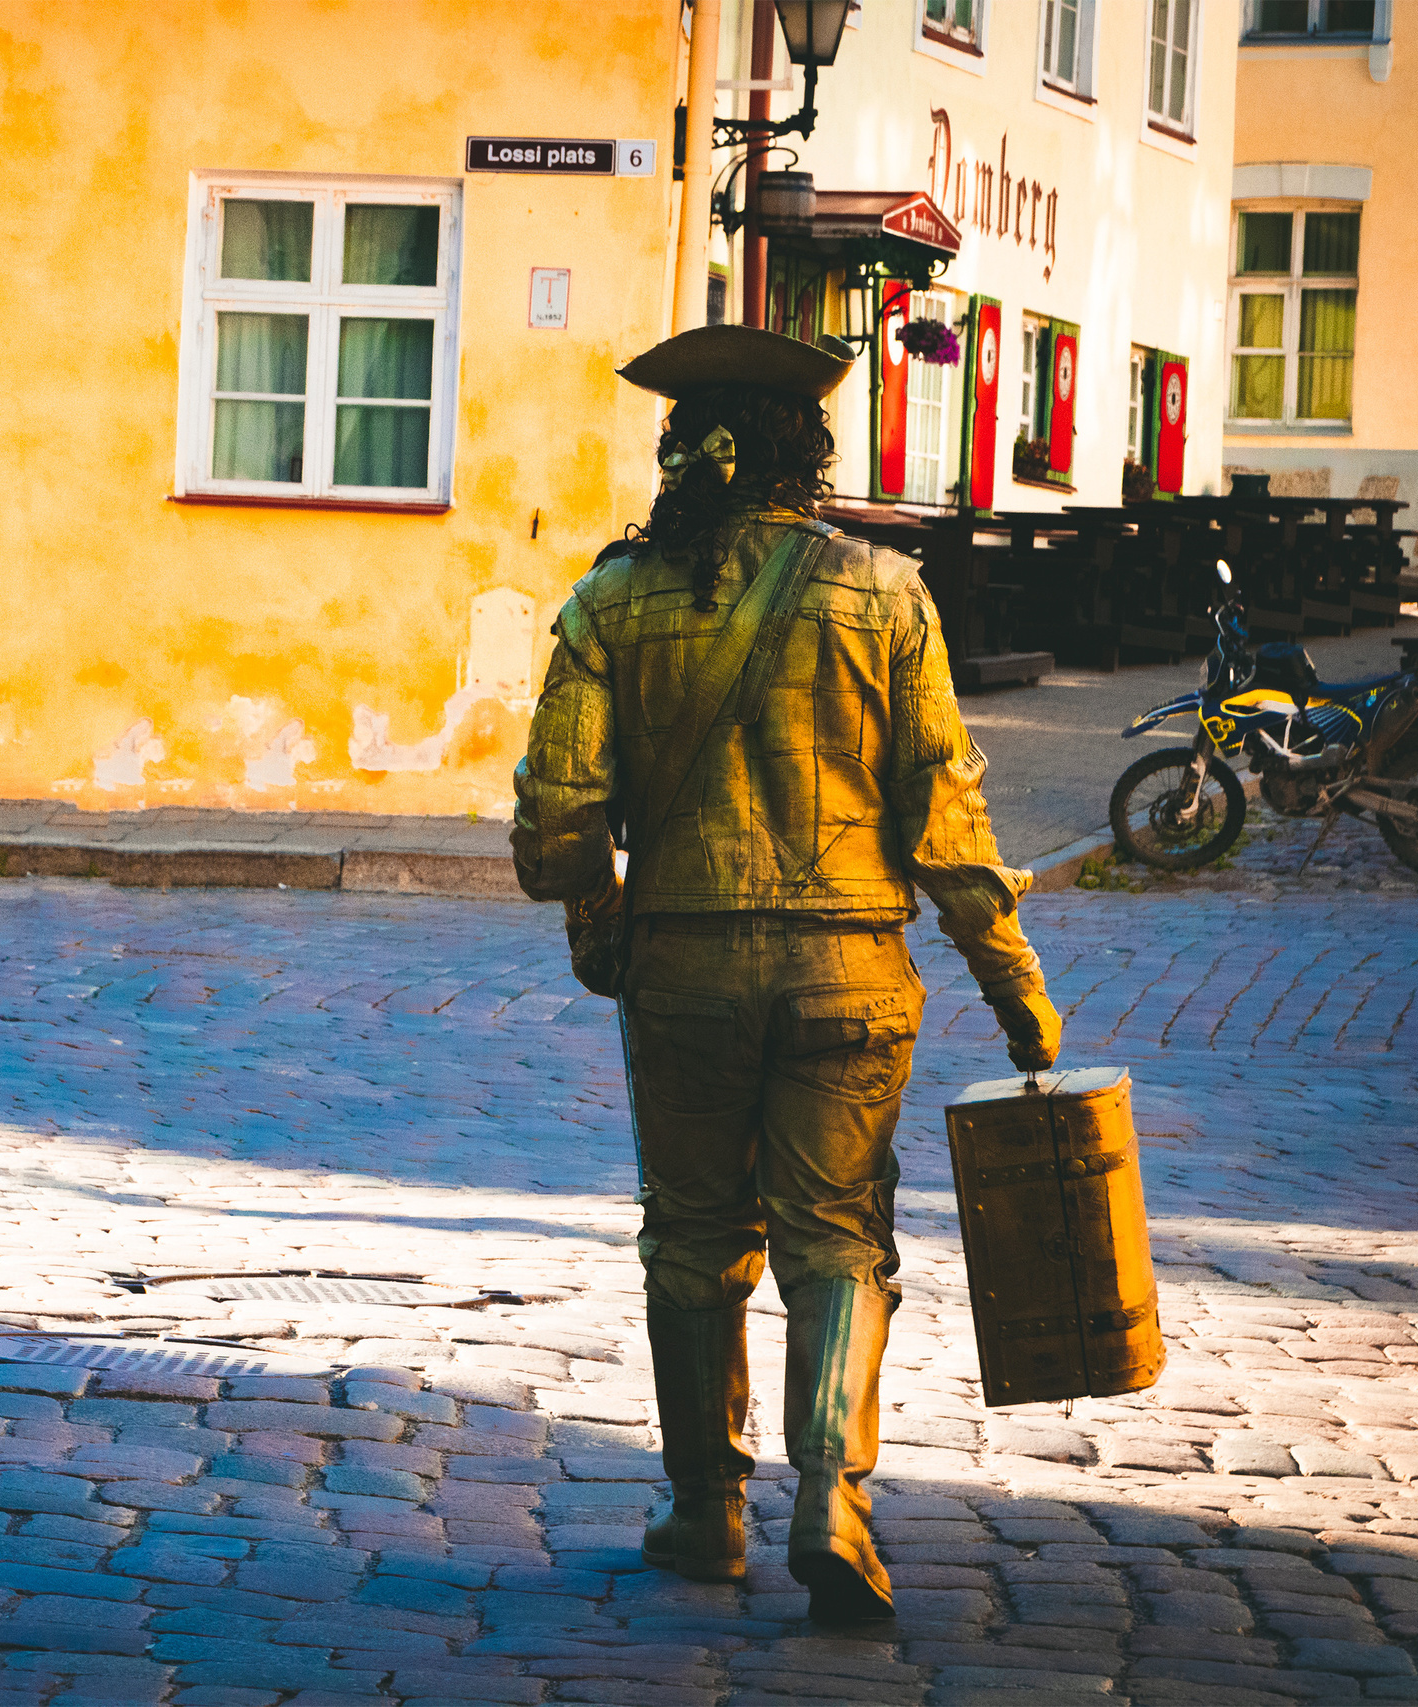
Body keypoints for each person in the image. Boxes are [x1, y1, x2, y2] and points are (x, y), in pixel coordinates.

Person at [510, 324, 1061, 1623]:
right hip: (851, 973)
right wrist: (1014, 988)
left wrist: (603, 923)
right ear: (810, 458)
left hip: (688, 969)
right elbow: (950, 822)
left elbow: (557, 827)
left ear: (676, 455)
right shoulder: (886, 594)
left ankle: (706, 1513)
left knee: (695, 1241)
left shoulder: (609, 603)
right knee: (841, 1239)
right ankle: (834, 1497)